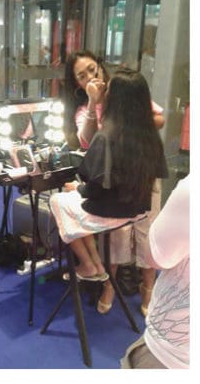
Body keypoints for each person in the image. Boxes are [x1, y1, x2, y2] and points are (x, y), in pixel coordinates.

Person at [62, 50, 165, 316]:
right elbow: (88, 141)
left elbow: (159, 119)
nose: (89, 77)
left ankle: (148, 287)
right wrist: (95, 105)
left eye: (92, 70)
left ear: (101, 67)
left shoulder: (126, 89)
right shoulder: (87, 107)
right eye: (81, 76)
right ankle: (109, 285)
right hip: (114, 180)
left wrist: (128, 123)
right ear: (76, 83)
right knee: (116, 238)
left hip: (142, 173)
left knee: (147, 234)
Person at [120, 174, 189, 369]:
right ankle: (144, 295)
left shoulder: (192, 190)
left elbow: (157, 257)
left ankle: (111, 288)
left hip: (173, 352)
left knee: (127, 240)